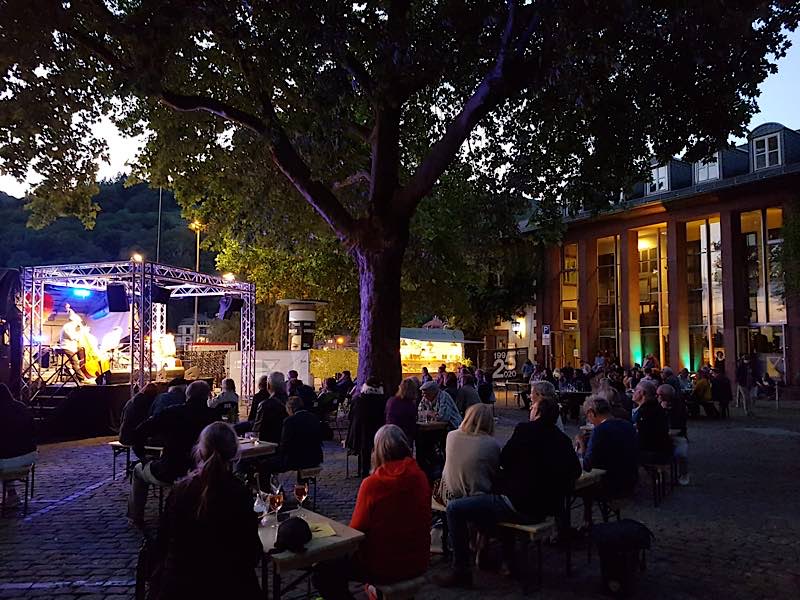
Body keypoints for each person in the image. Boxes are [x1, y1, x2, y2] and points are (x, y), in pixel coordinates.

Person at [438, 393, 580, 587]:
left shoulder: (524, 430)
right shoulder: (563, 440)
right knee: (493, 503)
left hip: (518, 504)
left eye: (532, 407)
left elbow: (505, 460)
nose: (530, 409)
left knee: (455, 509)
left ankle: (461, 569)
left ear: (538, 413)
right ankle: (505, 559)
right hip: (546, 509)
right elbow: (575, 471)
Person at [313, 425, 430, 599]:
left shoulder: (373, 484)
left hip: (382, 563)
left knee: (323, 572)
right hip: (418, 559)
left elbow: (356, 530)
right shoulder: (420, 476)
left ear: (377, 451)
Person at [147, 422, 262, 599]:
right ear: (234, 453)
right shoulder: (238, 493)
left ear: (200, 450)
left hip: (178, 587)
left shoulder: (180, 490)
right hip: (229, 586)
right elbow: (251, 553)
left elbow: (162, 542)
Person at [128, 380, 214, 527]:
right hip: (204, 472)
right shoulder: (213, 416)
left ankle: (136, 517)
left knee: (137, 470)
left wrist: (142, 456)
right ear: (208, 396)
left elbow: (139, 432)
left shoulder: (172, 412)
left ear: (187, 395)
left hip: (170, 470)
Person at [576, 396, 638, 524]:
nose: (589, 421)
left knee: (573, 488)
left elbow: (587, 464)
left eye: (587, 416)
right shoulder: (628, 425)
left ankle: (585, 522)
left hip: (609, 484)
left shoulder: (600, 431)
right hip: (630, 479)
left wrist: (582, 446)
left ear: (591, 413)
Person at [440, 404, 500, 503]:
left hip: (448, 494)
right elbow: (493, 471)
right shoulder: (491, 444)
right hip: (476, 498)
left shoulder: (451, 436)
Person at [262, 396, 323, 480]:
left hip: (295, 460)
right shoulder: (314, 417)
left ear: (290, 408)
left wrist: (275, 452)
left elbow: (285, 444)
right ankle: (302, 485)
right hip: (315, 457)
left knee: (264, 464)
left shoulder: (289, 421)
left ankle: (268, 489)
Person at [0, 384, 36, 507]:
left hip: (7, 460)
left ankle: (12, 493)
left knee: (5, 454)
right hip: (29, 458)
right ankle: (12, 494)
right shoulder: (21, 407)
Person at [346, 377, 388, 478]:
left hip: (360, 431)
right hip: (377, 430)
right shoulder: (383, 400)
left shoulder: (358, 399)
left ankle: (363, 472)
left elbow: (350, 416)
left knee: (364, 451)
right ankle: (378, 471)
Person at [632, 380, 673, 465]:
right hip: (661, 449)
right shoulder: (656, 407)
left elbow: (643, 435)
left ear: (642, 393)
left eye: (635, 390)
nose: (633, 393)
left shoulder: (646, 411)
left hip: (652, 452)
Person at [657, 384, 690, 485]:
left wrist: (667, 410)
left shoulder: (679, 406)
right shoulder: (658, 406)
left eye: (660, 395)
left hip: (678, 435)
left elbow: (679, 425)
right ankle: (662, 473)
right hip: (662, 436)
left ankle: (684, 473)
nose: (658, 397)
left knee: (681, 453)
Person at [119, 383, 159, 450]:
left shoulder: (131, 401)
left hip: (124, 436)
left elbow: (122, 419)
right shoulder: (147, 403)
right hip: (134, 438)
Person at [253, 371, 289, 444]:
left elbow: (257, 430)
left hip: (268, 446)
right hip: (286, 445)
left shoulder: (264, 405)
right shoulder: (291, 403)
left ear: (268, 386)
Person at [385, 378, 419, 444]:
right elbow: (412, 422)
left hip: (389, 434)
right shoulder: (410, 405)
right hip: (404, 436)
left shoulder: (391, 401)